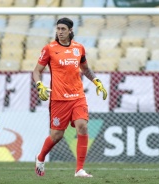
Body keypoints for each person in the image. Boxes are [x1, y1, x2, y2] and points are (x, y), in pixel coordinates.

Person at [32, 17, 107, 178]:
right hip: (58, 99)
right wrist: (39, 85)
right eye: (58, 29)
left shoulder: (78, 48)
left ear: (70, 31)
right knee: (56, 135)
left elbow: (85, 69)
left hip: (77, 96)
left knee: (83, 126)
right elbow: (36, 71)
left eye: (63, 29)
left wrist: (97, 81)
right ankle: (40, 158)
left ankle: (79, 170)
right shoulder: (49, 49)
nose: (60, 32)